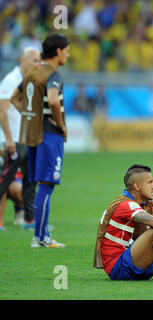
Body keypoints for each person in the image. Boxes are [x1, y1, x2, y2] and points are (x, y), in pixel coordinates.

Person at [11, 33, 70, 248]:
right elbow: (54, 100)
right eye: (67, 50)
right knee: (47, 185)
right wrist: (60, 124)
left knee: (41, 184)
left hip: (33, 135)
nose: (68, 55)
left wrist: (31, 115)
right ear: (58, 51)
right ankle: (41, 237)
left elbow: (16, 99)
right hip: (49, 135)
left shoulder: (33, 72)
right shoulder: (53, 75)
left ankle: (41, 234)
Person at [0, 47, 40, 228]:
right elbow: (2, 111)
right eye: (34, 60)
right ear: (23, 61)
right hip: (13, 140)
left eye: (39, 60)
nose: (37, 64)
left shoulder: (28, 81)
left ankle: (29, 219)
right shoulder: (11, 80)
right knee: (5, 180)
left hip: (25, 139)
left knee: (30, 180)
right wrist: (8, 139)